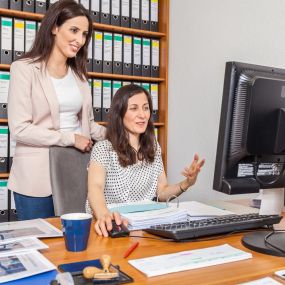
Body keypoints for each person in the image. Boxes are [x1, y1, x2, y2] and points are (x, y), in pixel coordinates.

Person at [8, 0, 105, 220]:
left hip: (75, 171)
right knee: (44, 245)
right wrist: (69, 138)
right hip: (35, 178)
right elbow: (20, 129)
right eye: (74, 30)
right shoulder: (24, 69)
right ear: (54, 27)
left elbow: (89, 126)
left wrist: (120, 133)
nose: (79, 40)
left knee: (77, 245)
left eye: (84, 35)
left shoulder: (79, 76)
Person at [87, 84, 205, 237]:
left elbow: (162, 192)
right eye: (134, 108)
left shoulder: (153, 148)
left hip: (141, 228)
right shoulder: (103, 149)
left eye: (146, 108)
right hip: (111, 227)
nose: (142, 115)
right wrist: (104, 215)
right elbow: (95, 189)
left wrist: (186, 183)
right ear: (120, 113)